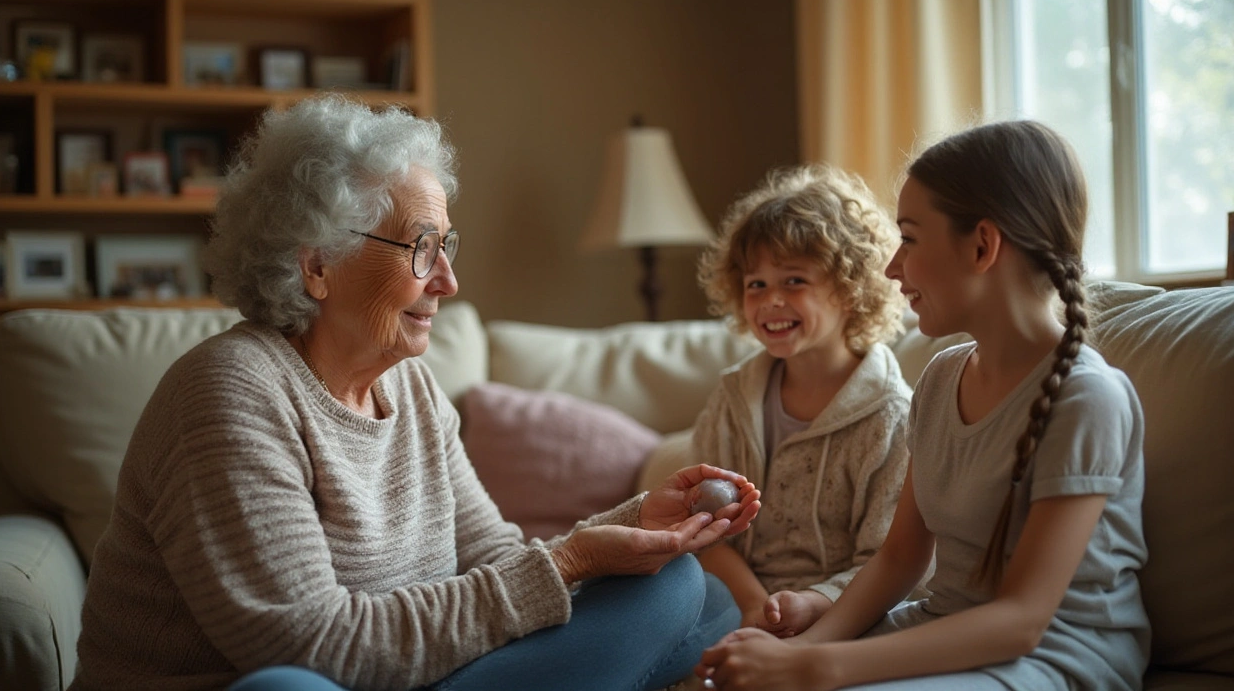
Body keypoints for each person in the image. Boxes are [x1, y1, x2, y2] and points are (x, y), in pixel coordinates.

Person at [69, 94, 762, 691]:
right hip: (286, 678)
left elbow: (493, 555)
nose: (448, 282)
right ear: (317, 265)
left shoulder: (411, 386)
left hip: (409, 673)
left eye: (447, 247)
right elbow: (305, 643)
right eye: (421, 249)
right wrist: (575, 561)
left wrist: (635, 525)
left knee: (683, 590)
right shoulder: (230, 392)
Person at [695, 120, 1149, 691]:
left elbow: (1022, 622)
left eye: (909, 238)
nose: (892, 268)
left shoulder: (1088, 398)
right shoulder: (940, 377)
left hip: (1054, 656)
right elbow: (899, 559)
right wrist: (799, 648)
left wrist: (811, 666)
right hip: (939, 628)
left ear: (982, 245)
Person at [690, 165, 912, 637]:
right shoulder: (732, 400)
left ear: (851, 289)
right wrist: (754, 605)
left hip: (845, 614)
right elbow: (701, 531)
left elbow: (891, 560)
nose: (771, 301)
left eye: (793, 281)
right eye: (756, 284)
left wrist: (811, 605)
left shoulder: (891, 415)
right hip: (731, 599)